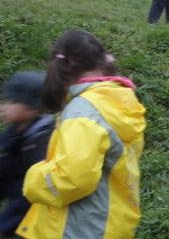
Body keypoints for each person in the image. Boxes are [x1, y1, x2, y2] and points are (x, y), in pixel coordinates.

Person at [16, 31, 146, 239]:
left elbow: (72, 178)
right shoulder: (117, 100)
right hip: (109, 223)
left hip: (78, 228)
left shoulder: (83, 112)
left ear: (61, 67)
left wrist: (33, 178)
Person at [0, 72, 54, 239]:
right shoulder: (13, 133)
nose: (4, 107)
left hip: (29, 224)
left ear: (31, 108)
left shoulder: (40, 141)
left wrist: (4, 226)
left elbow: (27, 194)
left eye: (13, 102)